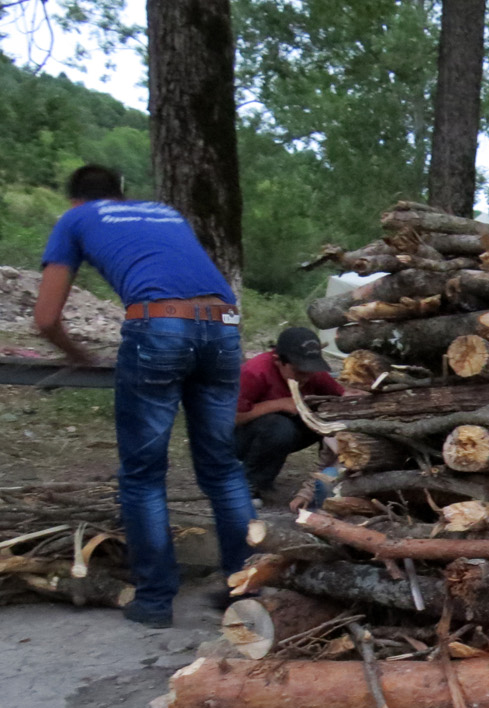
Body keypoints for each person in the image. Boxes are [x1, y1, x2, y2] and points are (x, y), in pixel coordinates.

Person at [32, 164, 255, 629]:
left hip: (159, 326)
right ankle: (248, 584)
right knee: (221, 467)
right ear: (123, 194)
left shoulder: (75, 218)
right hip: (223, 326)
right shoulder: (163, 212)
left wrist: (79, 354)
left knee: (143, 474)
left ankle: (154, 599)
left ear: (76, 199)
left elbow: (46, 318)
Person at [236, 327, 346, 499]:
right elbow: (233, 418)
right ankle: (250, 483)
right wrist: (278, 404)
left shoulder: (312, 375)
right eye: (299, 372)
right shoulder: (255, 372)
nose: (305, 378)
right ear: (278, 360)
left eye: (309, 372)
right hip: (240, 437)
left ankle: (331, 476)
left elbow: (341, 398)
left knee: (327, 416)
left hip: (285, 433)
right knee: (279, 427)